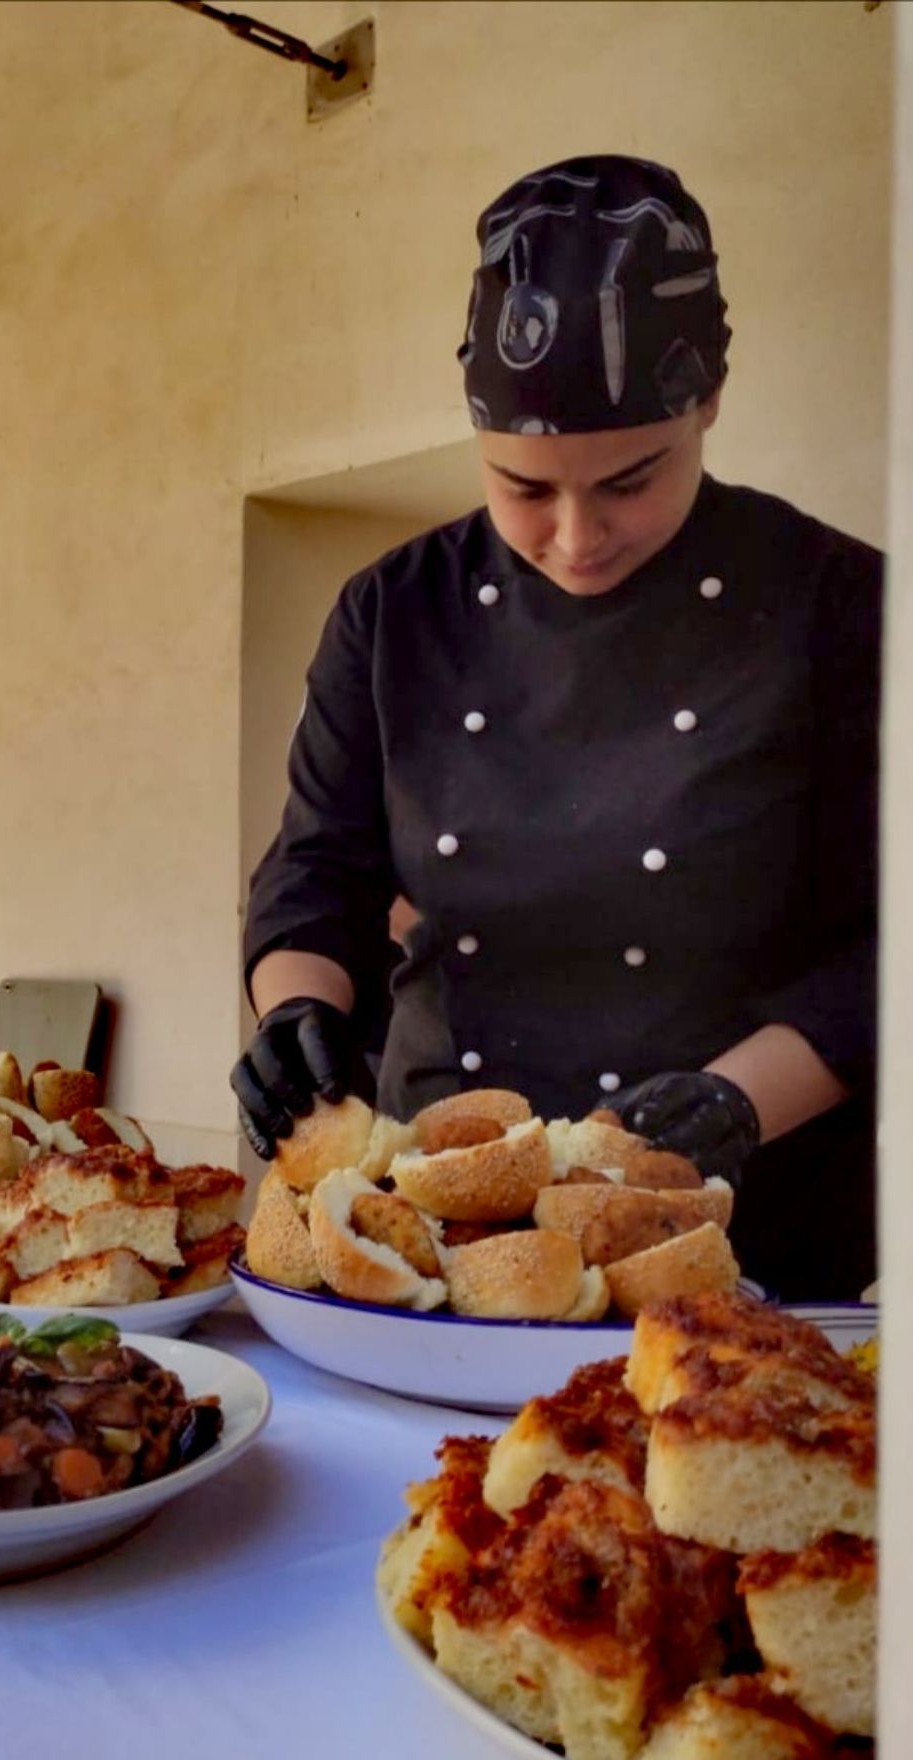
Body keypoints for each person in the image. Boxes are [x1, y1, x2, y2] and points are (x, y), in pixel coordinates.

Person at [232, 155, 881, 1301]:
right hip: (446, 1210)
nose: (576, 537)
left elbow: (892, 933)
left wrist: (735, 1100)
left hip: (740, 1219)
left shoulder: (841, 605)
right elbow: (316, 867)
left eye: (630, 481)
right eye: (522, 488)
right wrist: (294, 1008)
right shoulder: (393, 612)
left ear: (708, 404)